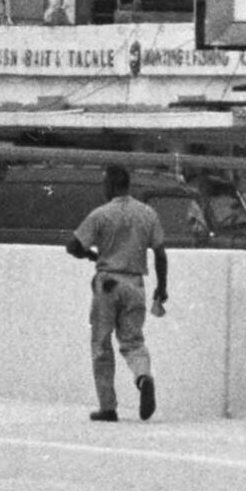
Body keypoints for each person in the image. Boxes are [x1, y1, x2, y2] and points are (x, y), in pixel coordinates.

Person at [65, 165, 169, 422]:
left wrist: (92, 255)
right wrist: (161, 288)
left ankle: (108, 406)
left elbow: (73, 246)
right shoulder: (147, 213)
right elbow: (160, 253)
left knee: (101, 344)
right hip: (135, 285)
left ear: (110, 186)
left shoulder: (101, 214)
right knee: (133, 341)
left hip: (108, 283)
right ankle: (143, 378)